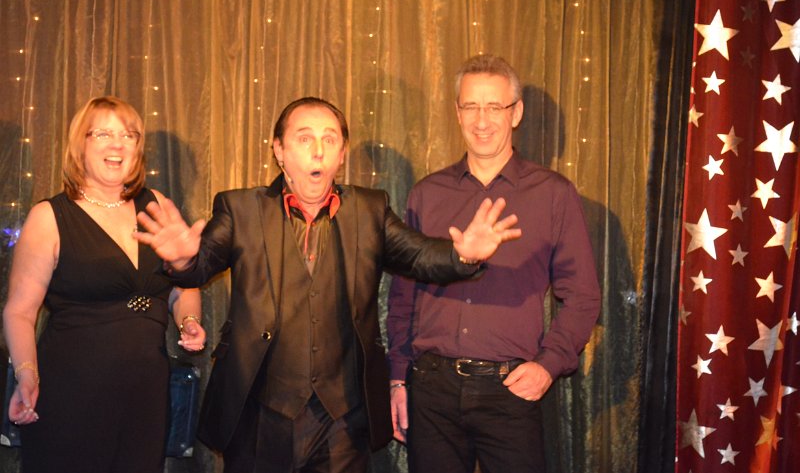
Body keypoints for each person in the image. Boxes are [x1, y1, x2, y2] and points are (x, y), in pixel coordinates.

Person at [132, 96, 521, 473]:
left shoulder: (370, 209)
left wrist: (462, 255)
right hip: (260, 410)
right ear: (279, 150)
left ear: (342, 153)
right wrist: (181, 259)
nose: (318, 151)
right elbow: (200, 266)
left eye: (329, 139)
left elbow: (419, 256)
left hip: (343, 418)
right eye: (304, 138)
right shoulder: (240, 208)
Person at [386, 54, 601, 473]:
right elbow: (403, 296)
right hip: (431, 392)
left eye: (494, 107)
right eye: (471, 106)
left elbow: (583, 297)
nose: (481, 120)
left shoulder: (553, 194)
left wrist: (548, 365)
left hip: (510, 392)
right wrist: (397, 378)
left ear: (516, 113)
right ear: (457, 112)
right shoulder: (427, 195)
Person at [2, 96, 207, 473]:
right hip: (70, 394)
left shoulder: (156, 205)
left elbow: (183, 285)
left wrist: (189, 321)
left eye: (129, 135)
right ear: (79, 144)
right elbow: (19, 311)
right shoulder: (49, 216)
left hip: (145, 394)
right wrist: (27, 374)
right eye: (103, 134)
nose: (118, 144)